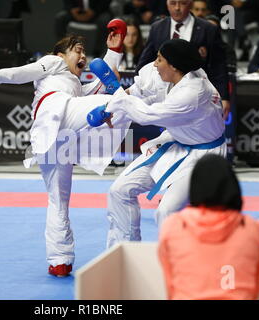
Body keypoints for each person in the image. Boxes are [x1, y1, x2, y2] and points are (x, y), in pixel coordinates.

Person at [0, 21, 130, 277]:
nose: (83, 56)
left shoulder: (76, 83)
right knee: (118, 99)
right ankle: (108, 110)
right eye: (77, 49)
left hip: (55, 136)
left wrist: (115, 51)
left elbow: (100, 83)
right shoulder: (53, 64)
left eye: (84, 52)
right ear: (60, 55)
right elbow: (23, 72)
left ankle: (59, 261)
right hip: (56, 112)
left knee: (58, 201)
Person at [90, 39, 226, 248]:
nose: (154, 64)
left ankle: (179, 265)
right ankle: (126, 251)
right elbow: (138, 90)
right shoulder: (172, 71)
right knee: (120, 190)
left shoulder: (193, 92)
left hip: (205, 156)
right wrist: (111, 104)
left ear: (174, 66)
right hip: (176, 142)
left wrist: (116, 95)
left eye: (159, 59)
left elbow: (146, 116)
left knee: (167, 211)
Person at [158, 154, 259, 300]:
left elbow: (170, 285)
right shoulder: (252, 228)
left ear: (194, 187)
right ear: (233, 185)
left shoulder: (172, 227)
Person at [136, 0, 230, 120]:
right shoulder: (157, 28)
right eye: (173, 3)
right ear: (166, 3)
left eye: (182, 3)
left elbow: (218, 65)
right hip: (163, 93)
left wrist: (224, 97)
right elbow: (145, 61)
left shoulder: (208, 29)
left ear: (191, 4)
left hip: (197, 96)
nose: (177, 8)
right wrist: (138, 85)